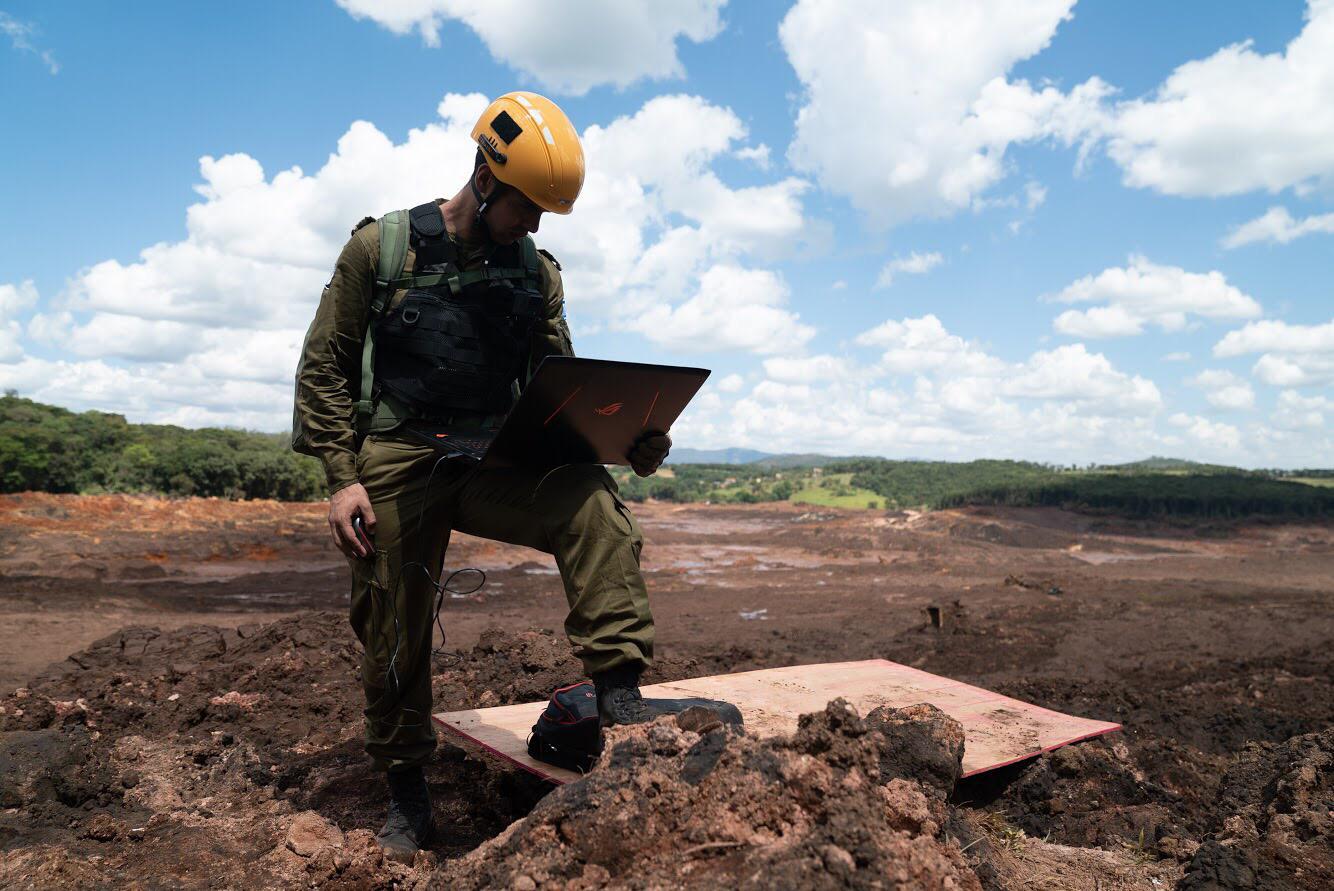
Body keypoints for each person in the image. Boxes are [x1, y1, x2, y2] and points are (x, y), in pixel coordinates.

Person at [291, 92, 672, 862]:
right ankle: (407, 788)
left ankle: (623, 709)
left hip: (495, 456)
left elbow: (559, 380)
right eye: (527, 207)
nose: (533, 226)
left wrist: (622, 435)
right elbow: (323, 368)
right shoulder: (382, 249)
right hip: (399, 454)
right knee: (391, 609)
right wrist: (342, 477)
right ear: (486, 178)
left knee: (593, 504)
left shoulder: (538, 274)